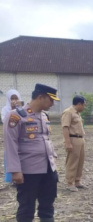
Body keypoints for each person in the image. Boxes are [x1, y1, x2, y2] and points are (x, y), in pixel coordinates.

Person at [3, 83, 60, 222]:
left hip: (48, 168)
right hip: (29, 171)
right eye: (51, 100)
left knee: (47, 207)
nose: (52, 103)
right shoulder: (16, 116)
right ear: (41, 97)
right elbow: (11, 145)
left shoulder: (44, 116)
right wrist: (15, 170)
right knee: (26, 209)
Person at [61, 95, 87, 192]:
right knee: (72, 162)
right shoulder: (68, 112)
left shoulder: (77, 113)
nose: (84, 107)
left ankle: (77, 181)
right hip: (73, 139)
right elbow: (65, 127)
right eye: (84, 105)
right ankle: (70, 183)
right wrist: (68, 143)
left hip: (80, 139)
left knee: (80, 161)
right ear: (79, 104)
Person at [2, 89, 22, 184]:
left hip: (20, 136)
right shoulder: (5, 109)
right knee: (11, 154)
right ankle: (12, 178)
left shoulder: (22, 109)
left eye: (16, 98)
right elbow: (4, 120)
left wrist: (18, 109)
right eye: (12, 98)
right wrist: (12, 110)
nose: (14, 100)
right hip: (11, 136)